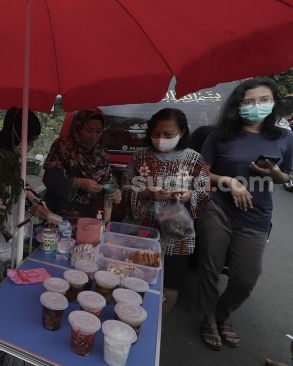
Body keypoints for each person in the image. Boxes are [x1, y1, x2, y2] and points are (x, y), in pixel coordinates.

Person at [197, 78, 293, 351]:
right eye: (249, 101)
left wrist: (275, 174)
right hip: (218, 209)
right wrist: (229, 181)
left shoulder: (284, 137)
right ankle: (208, 316)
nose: (256, 106)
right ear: (238, 105)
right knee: (210, 268)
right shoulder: (220, 135)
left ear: (274, 102)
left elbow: (286, 175)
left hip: (257, 215)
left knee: (246, 277)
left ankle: (223, 313)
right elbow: (201, 173)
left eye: (263, 100)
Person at [120, 108, 210, 314]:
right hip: (138, 231)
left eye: (168, 135)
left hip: (177, 237)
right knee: (131, 276)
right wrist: (145, 193)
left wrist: (188, 196)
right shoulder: (140, 156)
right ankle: (128, 315)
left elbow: (205, 193)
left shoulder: (194, 159)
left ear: (183, 132)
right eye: (155, 134)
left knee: (170, 285)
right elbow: (124, 188)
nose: (160, 139)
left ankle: (156, 321)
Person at [43, 109, 121, 219]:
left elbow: (107, 180)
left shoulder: (101, 151)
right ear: (79, 128)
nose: (93, 136)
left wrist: (115, 192)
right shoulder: (63, 146)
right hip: (58, 210)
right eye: (89, 130)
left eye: (98, 131)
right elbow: (49, 179)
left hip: (86, 212)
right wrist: (78, 183)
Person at [0, 107, 54, 221]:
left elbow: (21, 184)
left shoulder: (12, 154)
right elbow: (3, 194)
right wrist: (29, 206)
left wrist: (37, 203)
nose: (32, 145)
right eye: (29, 140)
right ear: (15, 133)